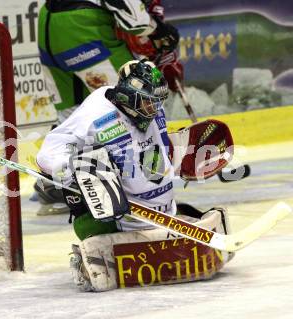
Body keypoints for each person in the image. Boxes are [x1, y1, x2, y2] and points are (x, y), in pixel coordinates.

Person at [36, 59, 235, 291]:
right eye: (149, 103)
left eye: (158, 102)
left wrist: (180, 151)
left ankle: (165, 220)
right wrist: (79, 172)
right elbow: (48, 153)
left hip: (161, 214)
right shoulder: (94, 116)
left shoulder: (147, 106)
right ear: (127, 96)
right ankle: (89, 256)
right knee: (91, 175)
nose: (154, 109)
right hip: (117, 220)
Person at [34, 0, 183, 215]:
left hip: (48, 24)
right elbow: (133, 19)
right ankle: (148, 187)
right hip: (82, 29)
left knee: (72, 116)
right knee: (129, 102)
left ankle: (54, 189)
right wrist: (159, 31)